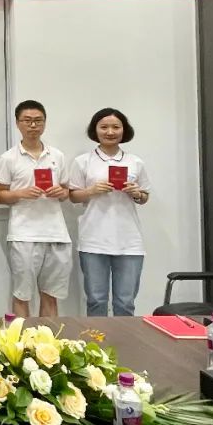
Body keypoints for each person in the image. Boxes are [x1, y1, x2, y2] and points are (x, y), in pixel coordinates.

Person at [68, 108, 152, 316]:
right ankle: (97, 338)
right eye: (104, 127)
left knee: (125, 302)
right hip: (93, 240)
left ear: (124, 130)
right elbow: (73, 196)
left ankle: (124, 338)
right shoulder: (83, 161)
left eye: (116, 127)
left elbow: (144, 197)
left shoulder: (135, 162)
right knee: (96, 300)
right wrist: (91, 190)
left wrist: (136, 193)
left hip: (129, 241)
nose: (110, 132)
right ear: (95, 130)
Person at [0, 100, 71, 319]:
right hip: (23, 234)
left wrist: (61, 192)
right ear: (17, 123)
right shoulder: (8, 158)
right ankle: (20, 340)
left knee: (51, 296)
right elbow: (0, 194)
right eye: (27, 121)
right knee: (22, 295)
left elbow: (66, 191)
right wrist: (21, 193)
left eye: (38, 120)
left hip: (56, 234)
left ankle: (49, 339)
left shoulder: (57, 156)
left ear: (45, 123)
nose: (33, 125)